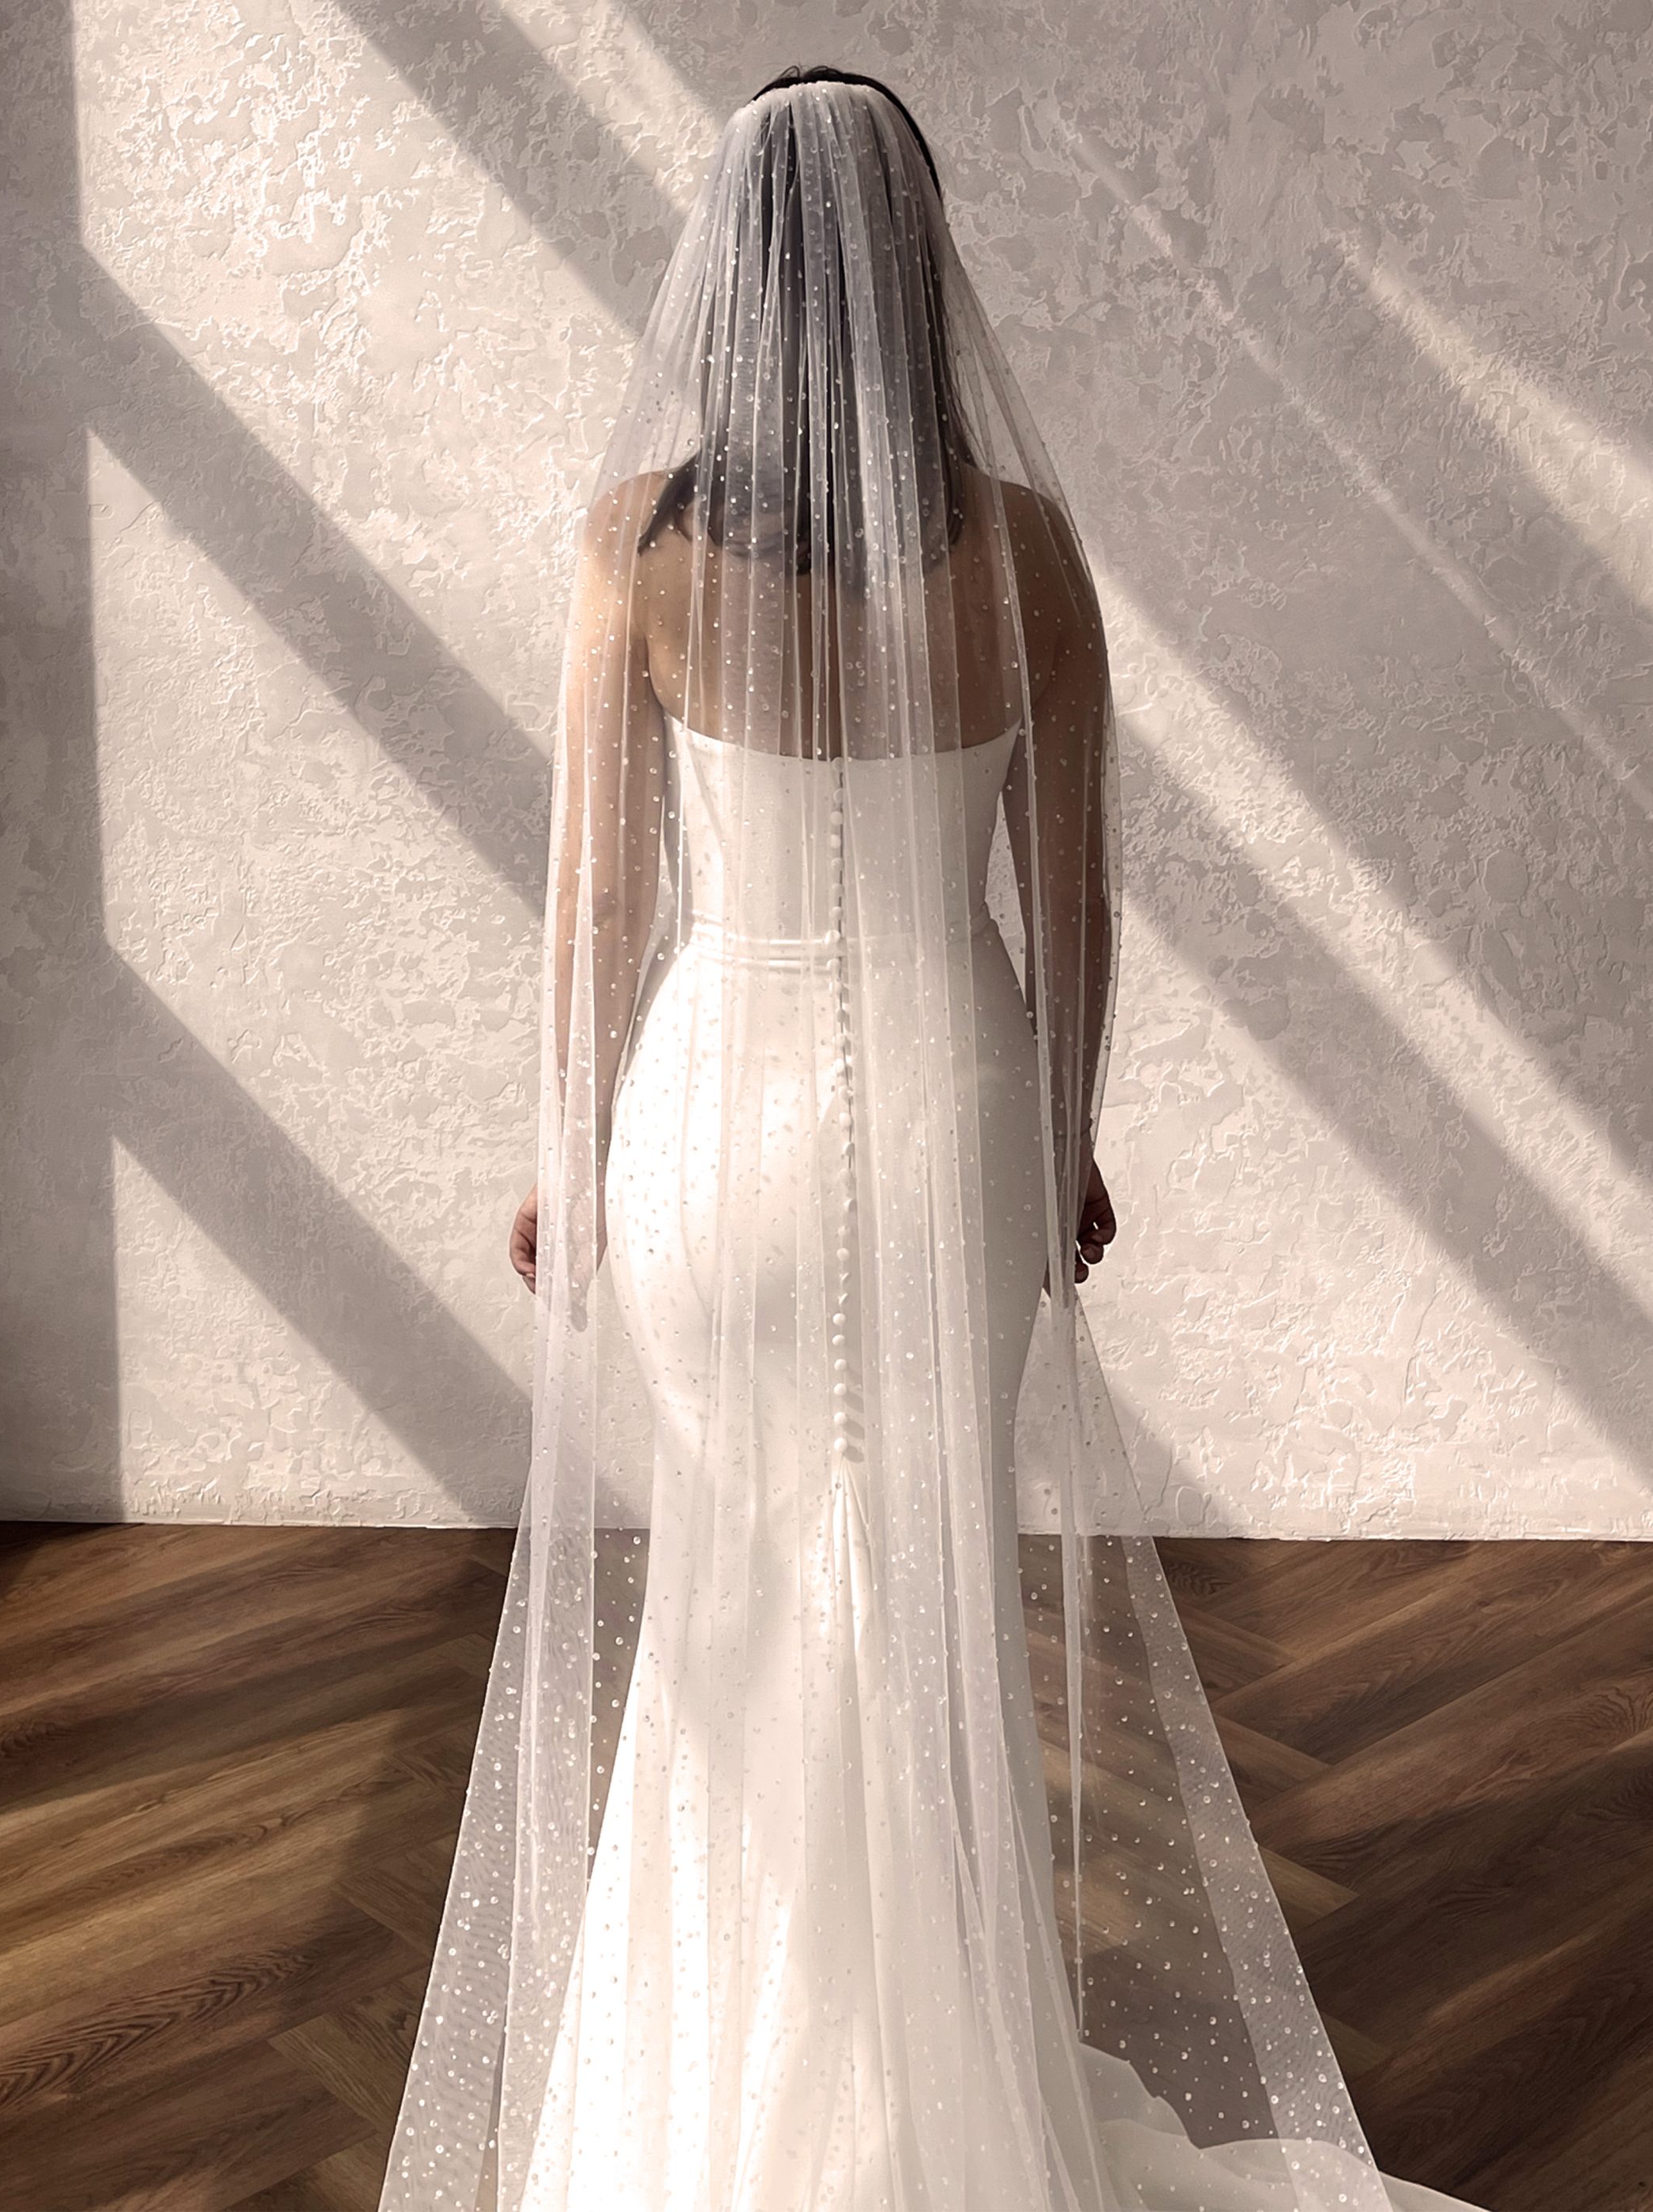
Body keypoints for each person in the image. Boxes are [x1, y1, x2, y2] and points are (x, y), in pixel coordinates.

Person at [379, 69, 1490, 2212]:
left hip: (713, 1124)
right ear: (915, 268)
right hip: (948, 1101)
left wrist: (566, 1150)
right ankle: (929, 2104)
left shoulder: (634, 545)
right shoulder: (1027, 552)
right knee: (918, 1595)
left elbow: (602, 904)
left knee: (729, 1585)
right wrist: (1057, 1133)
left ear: (729, 280)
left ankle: (713, 2111)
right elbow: (1065, 896)